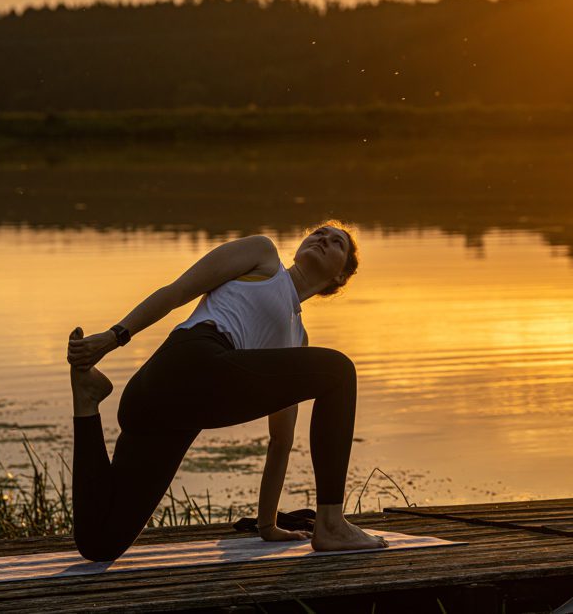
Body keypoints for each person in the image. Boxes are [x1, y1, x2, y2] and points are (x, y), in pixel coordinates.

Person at [67, 219, 389, 562]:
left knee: (99, 544)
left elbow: (280, 440)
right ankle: (331, 523)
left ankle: (86, 401)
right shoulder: (263, 257)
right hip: (185, 362)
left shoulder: (297, 340)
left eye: (336, 242)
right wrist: (113, 337)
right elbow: (177, 292)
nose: (323, 239)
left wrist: (267, 524)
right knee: (339, 371)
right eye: (318, 233)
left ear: (340, 278)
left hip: (168, 410)